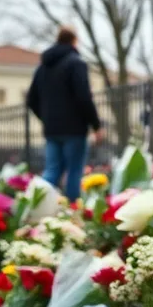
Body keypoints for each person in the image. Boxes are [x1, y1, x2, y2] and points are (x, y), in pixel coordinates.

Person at [26, 25, 104, 200]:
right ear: (74, 41)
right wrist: (96, 125)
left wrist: (46, 118)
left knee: (52, 171)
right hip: (74, 129)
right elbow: (84, 97)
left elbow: (31, 100)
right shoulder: (76, 63)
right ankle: (71, 211)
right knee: (74, 171)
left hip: (52, 130)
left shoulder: (42, 68)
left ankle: (35, 205)